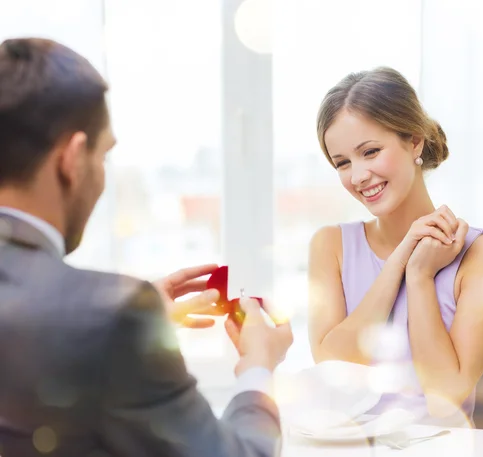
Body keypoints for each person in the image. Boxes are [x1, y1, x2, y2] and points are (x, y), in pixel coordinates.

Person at [0, 37, 292, 457]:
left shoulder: (104, 316)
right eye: (104, 157)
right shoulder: (112, 317)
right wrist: (259, 369)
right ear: (72, 158)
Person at [307, 67, 483, 425]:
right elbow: (333, 376)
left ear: (414, 141)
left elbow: (444, 398)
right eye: (342, 163)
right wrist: (399, 261)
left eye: (370, 152)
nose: (357, 176)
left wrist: (419, 276)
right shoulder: (330, 246)